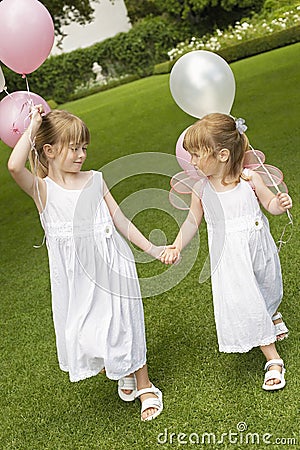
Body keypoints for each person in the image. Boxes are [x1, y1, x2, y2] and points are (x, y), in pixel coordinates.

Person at [8, 106, 165, 421]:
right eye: (73, 148)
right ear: (49, 151)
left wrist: (152, 248)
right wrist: (35, 126)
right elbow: (14, 165)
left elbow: (119, 219)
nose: (81, 154)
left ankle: (145, 385)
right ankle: (121, 368)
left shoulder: (95, 179)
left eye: (84, 148)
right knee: (89, 330)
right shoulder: (42, 190)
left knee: (123, 322)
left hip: (113, 263)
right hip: (78, 277)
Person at [160, 113, 292, 391]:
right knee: (246, 300)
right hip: (229, 257)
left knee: (267, 284)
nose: (192, 162)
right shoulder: (201, 190)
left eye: (197, 155)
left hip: (257, 246)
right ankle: (273, 359)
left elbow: (269, 204)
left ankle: (271, 313)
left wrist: (280, 204)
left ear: (222, 154)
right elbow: (192, 221)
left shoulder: (249, 179)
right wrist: (176, 244)